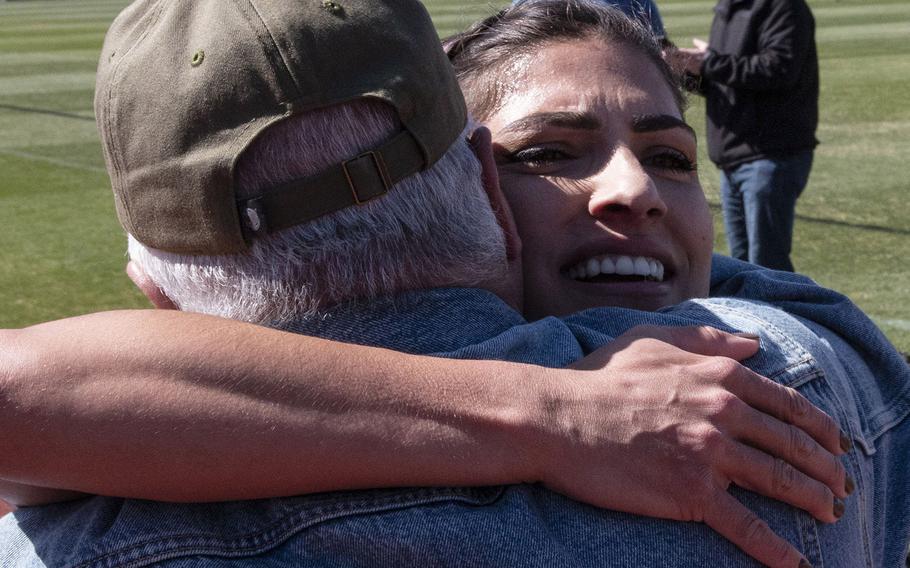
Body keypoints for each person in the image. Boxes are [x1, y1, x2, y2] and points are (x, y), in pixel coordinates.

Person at [1, 1, 907, 567]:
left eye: (670, 156)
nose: (631, 191)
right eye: (547, 155)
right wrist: (549, 413)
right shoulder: (788, 373)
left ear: (155, 297)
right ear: (484, 190)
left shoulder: (67, 524)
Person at [670, 0, 818, 271]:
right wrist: (681, 69)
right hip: (734, 158)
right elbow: (724, 83)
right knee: (742, 267)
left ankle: (783, 315)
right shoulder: (727, 8)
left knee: (768, 266)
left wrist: (709, 63)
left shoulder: (783, 7)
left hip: (770, 155)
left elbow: (778, 69)